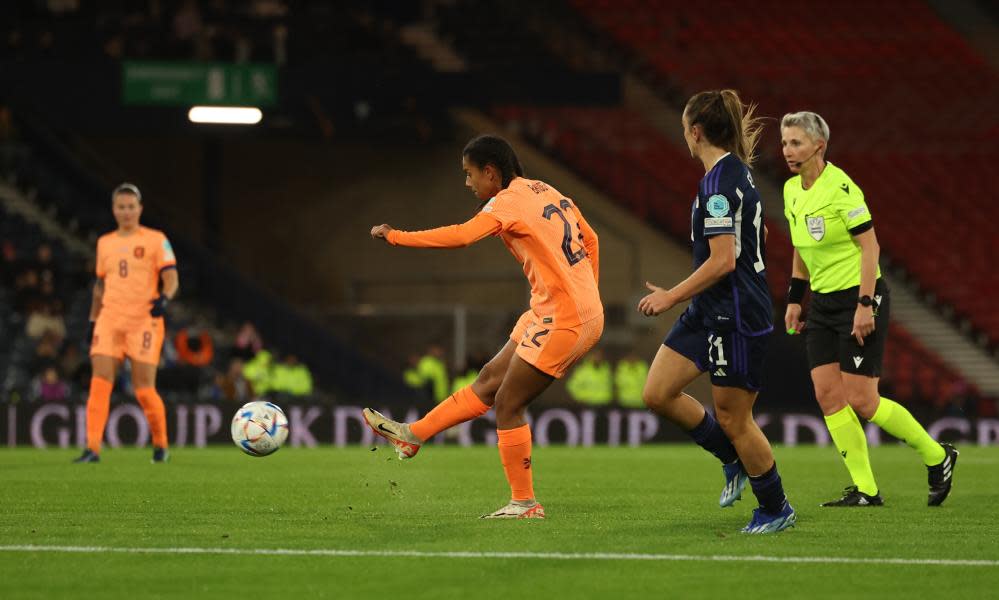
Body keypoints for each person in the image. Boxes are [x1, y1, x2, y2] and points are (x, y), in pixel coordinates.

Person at [363, 134, 603, 519]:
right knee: (491, 378)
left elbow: (461, 236)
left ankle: (524, 503)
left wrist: (395, 237)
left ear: (491, 172)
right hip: (559, 308)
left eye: (469, 173)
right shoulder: (545, 190)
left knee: (508, 402)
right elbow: (590, 239)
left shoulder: (506, 203)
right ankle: (414, 436)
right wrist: (588, 294)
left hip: (564, 316)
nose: (467, 183)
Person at [780, 111, 957, 507]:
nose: (787, 151)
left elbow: (870, 247)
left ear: (818, 147)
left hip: (859, 297)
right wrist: (795, 297)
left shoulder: (842, 189)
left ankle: (938, 455)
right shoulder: (792, 190)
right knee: (828, 395)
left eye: (796, 143)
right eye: (785, 143)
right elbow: (800, 247)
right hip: (823, 302)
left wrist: (864, 305)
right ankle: (866, 489)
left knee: (862, 400)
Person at [639, 90, 795, 534]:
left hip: (737, 313)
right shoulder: (733, 175)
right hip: (711, 309)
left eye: (684, 129)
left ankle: (775, 506)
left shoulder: (718, 185)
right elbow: (753, 232)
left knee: (734, 417)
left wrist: (671, 296)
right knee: (657, 393)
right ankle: (731, 458)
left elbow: (724, 261)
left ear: (695, 131)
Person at [74, 183, 179, 464]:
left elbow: (171, 277)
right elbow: (100, 286)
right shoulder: (104, 243)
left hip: (143, 321)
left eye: (131, 206)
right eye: (121, 207)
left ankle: (160, 445)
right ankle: (92, 448)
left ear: (140, 209)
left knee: (143, 387)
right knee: (100, 382)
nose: (126, 211)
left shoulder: (156, 240)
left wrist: (165, 299)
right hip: (109, 320)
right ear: (114, 210)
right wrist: (92, 321)